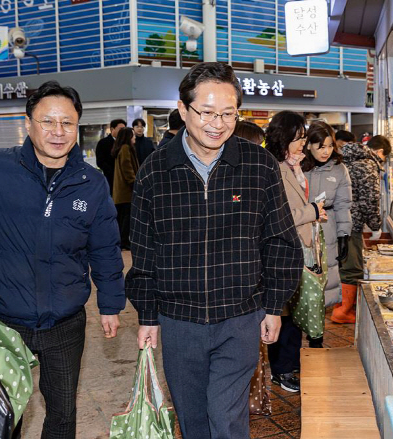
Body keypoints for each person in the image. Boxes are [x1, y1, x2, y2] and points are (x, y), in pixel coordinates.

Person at [125, 62, 303, 439]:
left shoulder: (258, 165)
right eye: (206, 112)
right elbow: (144, 251)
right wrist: (147, 315)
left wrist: (274, 306)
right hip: (179, 321)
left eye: (228, 113)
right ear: (183, 109)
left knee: (226, 418)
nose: (217, 124)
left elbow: (281, 240)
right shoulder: (155, 171)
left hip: (239, 316)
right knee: (192, 421)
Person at [0, 80, 125, 438]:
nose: (58, 132)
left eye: (67, 123)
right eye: (47, 121)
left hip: (65, 323)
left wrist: (111, 305)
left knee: (63, 413)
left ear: (77, 126)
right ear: (28, 123)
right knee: (3, 412)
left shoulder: (91, 182)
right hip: (4, 322)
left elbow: (104, 248)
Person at [265, 111, 327, 387]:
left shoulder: (293, 165)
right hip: (283, 248)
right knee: (283, 312)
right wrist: (312, 210)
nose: (303, 143)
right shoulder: (274, 168)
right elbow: (280, 215)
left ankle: (288, 366)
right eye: (299, 138)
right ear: (284, 137)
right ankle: (282, 370)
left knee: (292, 311)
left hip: (299, 246)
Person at [302, 121, 352, 342]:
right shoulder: (298, 165)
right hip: (301, 227)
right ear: (309, 145)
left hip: (328, 228)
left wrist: (344, 234)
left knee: (324, 281)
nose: (326, 151)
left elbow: (344, 204)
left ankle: (317, 337)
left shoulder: (339, 169)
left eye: (330, 146)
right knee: (301, 282)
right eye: (320, 146)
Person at [336, 135, 391, 323]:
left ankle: (338, 304)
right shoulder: (367, 165)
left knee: (341, 264)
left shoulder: (345, 159)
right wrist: (376, 226)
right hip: (352, 222)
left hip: (336, 221)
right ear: (381, 152)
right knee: (353, 267)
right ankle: (343, 311)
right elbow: (370, 200)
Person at [112, 127, 139, 250]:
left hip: (121, 192)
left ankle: (123, 241)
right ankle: (124, 242)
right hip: (126, 192)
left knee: (123, 218)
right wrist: (135, 182)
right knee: (126, 219)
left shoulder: (120, 149)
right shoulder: (125, 148)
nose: (134, 138)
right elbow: (127, 168)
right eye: (132, 135)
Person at [95, 118, 126, 194]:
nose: (123, 132)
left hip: (124, 180)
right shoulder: (103, 143)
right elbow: (100, 161)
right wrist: (112, 172)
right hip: (110, 179)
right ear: (112, 129)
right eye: (121, 129)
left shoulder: (125, 143)